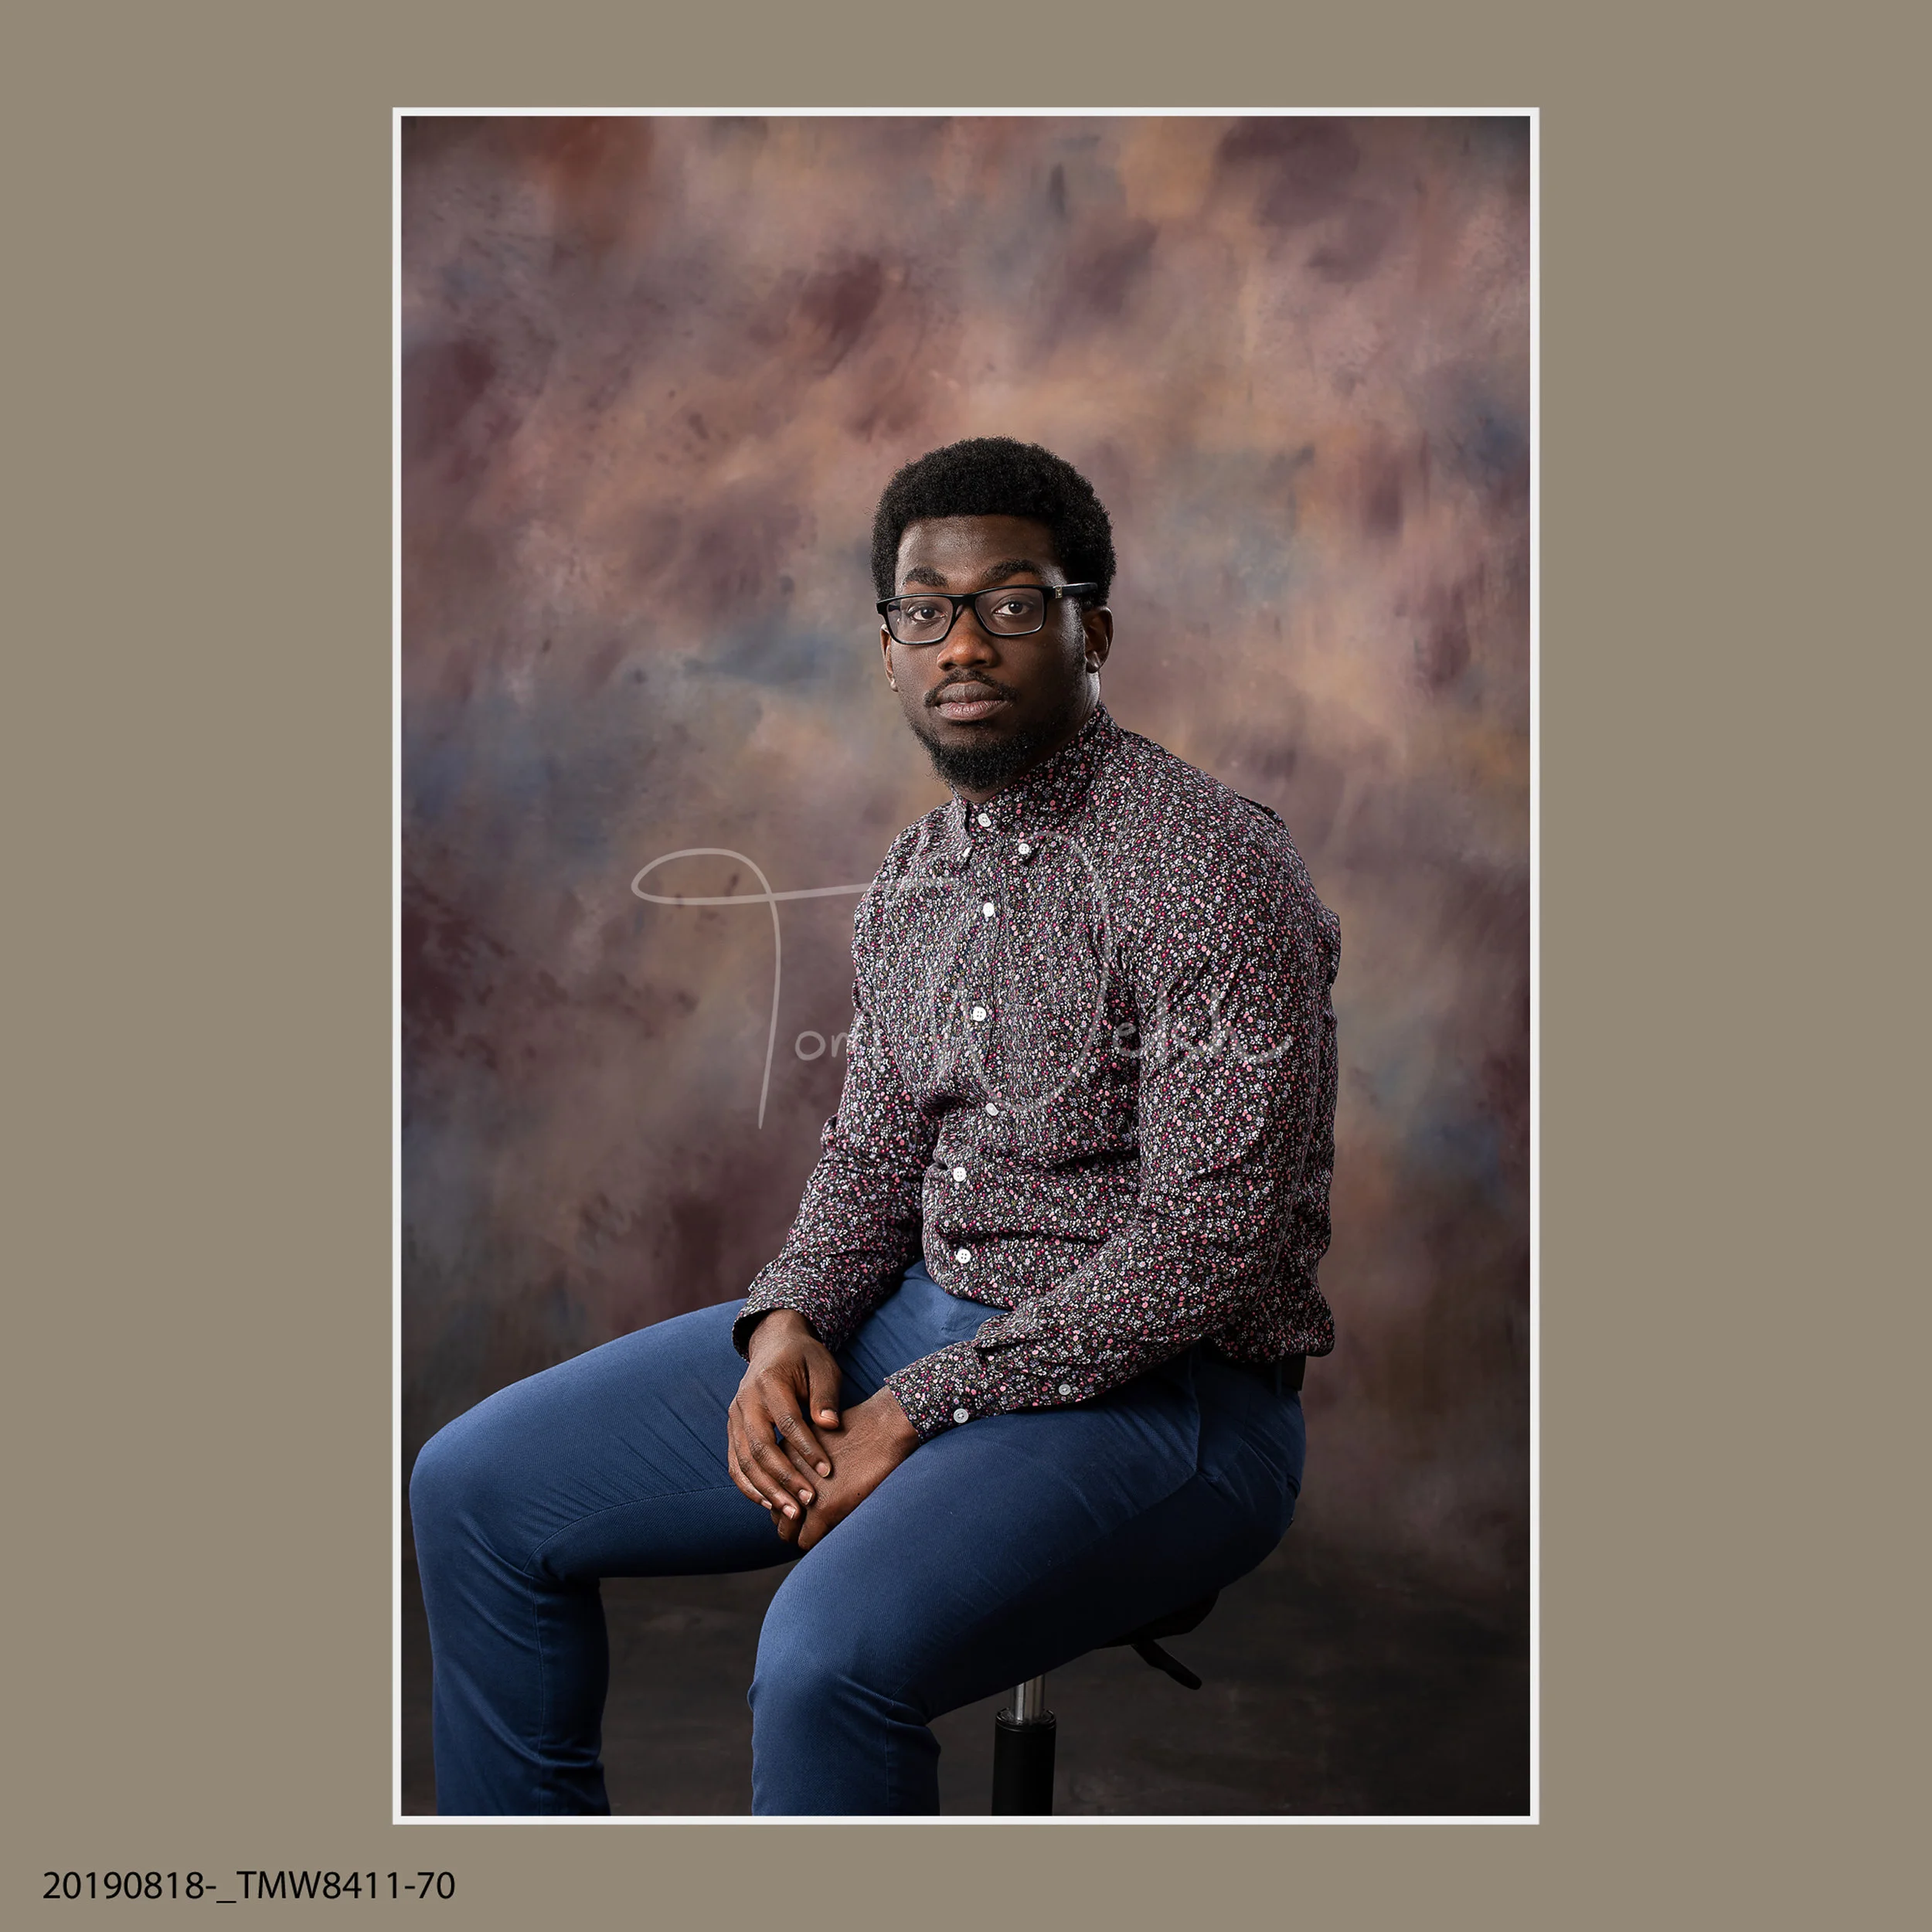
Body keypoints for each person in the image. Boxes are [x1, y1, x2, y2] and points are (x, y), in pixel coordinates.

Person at [409, 436, 1342, 1815]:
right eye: (924, 609)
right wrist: (786, 1322)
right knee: (477, 1488)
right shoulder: (915, 877)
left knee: (825, 1660)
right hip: (925, 1321)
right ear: (888, 648)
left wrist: (916, 1405)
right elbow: (870, 1160)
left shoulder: (1210, 866)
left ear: (1091, 630)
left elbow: (1210, 1243)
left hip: (1170, 1395)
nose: (962, 642)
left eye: (1010, 603)